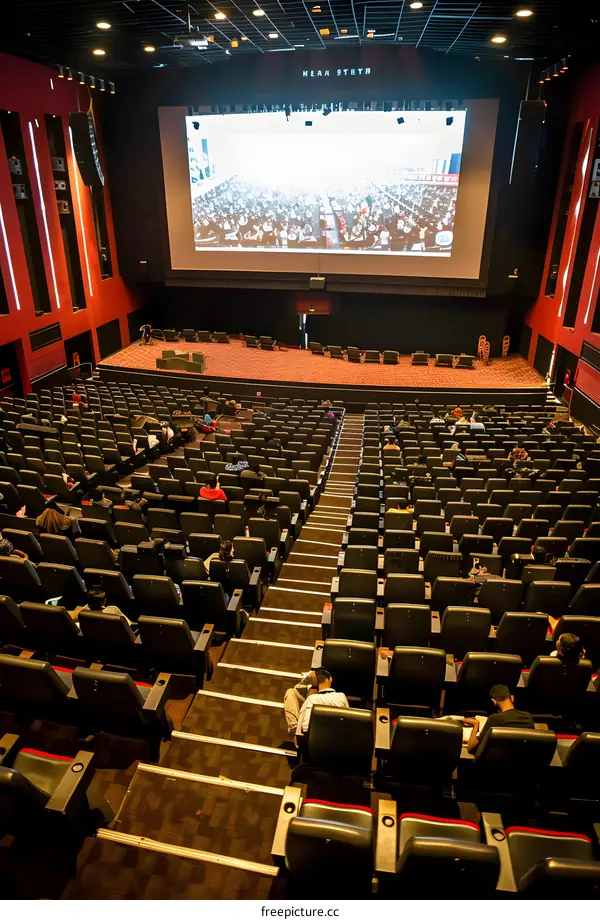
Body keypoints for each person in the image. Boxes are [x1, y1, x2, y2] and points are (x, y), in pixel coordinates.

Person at [464, 684, 534, 754]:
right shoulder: (528, 717)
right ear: (512, 698)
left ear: (493, 702)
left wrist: (475, 725)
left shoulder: (494, 719)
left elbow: (471, 748)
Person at [295, 668, 350, 736]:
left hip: (314, 739)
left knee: (290, 692)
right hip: (337, 738)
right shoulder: (341, 697)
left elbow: (305, 727)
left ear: (315, 683)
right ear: (330, 679)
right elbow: (348, 721)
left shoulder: (311, 699)